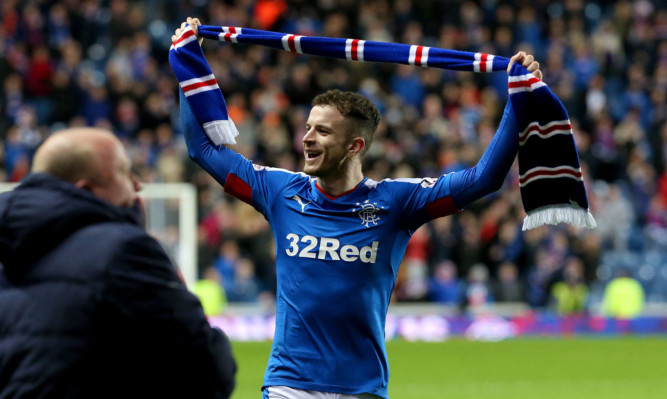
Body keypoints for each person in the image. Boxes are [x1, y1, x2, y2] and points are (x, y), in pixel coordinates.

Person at [173, 17, 542, 399]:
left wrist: (518, 100)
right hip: (290, 385)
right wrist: (186, 57)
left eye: (322, 131)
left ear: (355, 147)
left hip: (362, 388)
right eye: (308, 128)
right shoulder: (278, 190)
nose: (307, 139)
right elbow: (202, 149)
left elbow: (484, 179)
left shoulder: (397, 202)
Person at [0, 128, 236, 399]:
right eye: (125, 173)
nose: (138, 185)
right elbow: (207, 371)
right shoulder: (124, 250)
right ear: (87, 190)